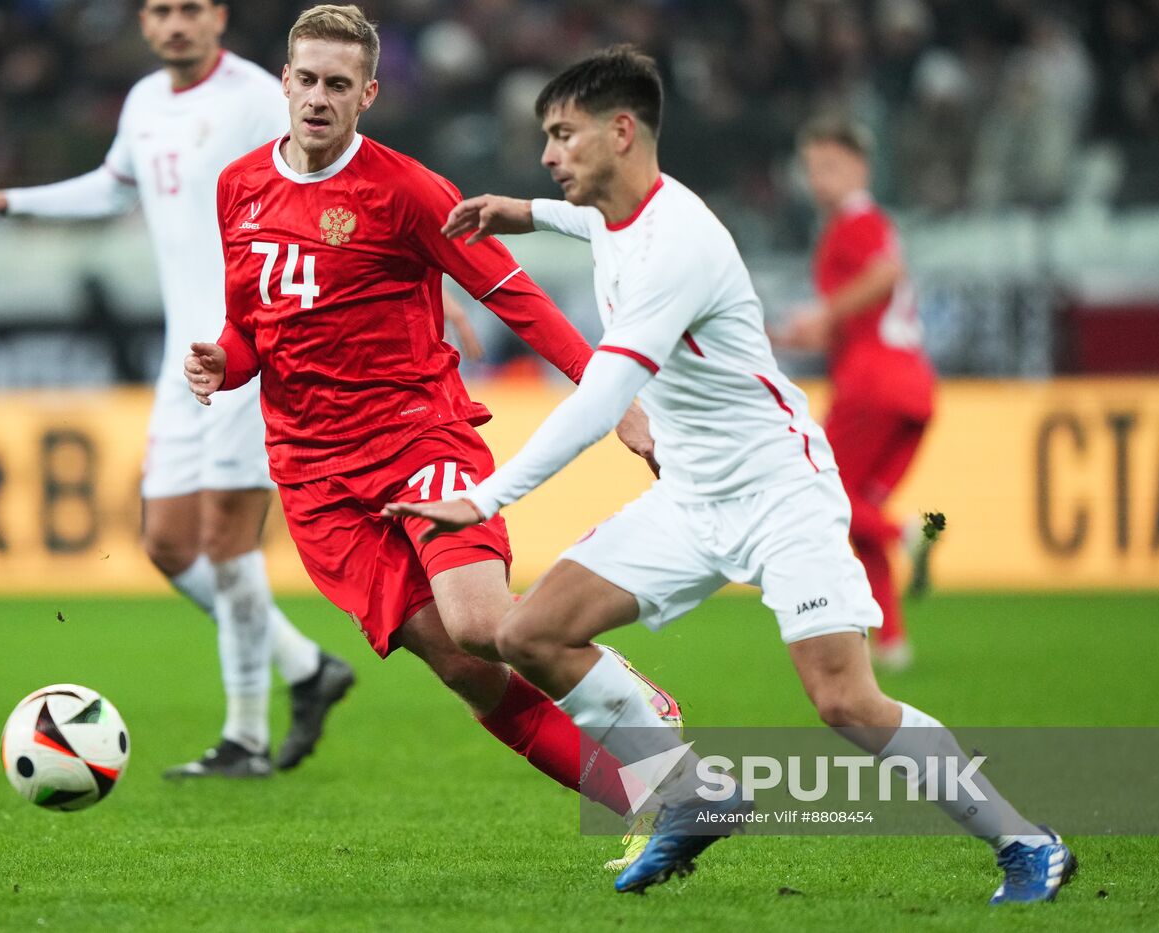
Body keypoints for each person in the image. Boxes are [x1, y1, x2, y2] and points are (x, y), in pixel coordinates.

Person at [390, 46, 1074, 903]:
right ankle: (691, 793)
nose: (548, 155)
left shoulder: (679, 245)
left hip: (778, 490)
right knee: (531, 635)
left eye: (563, 135)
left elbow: (603, 399)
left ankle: (1026, 840)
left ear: (622, 132)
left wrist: (486, 499)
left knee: (846, 703)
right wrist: (515, 212)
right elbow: (581, 223)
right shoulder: (613, 213)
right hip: (691, 497)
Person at [182, 4, 680, 869]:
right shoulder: (238, 189)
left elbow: (511, 293)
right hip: (317, 482)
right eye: (307, 79)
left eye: (340, 84)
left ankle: (647, 715)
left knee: (483, 621)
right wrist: (219, 364)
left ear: (368, 93)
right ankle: (652, 799)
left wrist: (614, 392)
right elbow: (250, 331)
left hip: (419, 439)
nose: (319, 98)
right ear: (286, 79)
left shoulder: (406, 189)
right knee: (465, 670)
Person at [0, 0, 353, 778]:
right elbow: (113, 188)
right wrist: (5, 201)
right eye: (160, 10)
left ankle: (246, 738)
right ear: (145, 23)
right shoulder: (145, 102)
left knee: (225, 542)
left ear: (217, 16)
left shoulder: (258, 95)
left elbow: (334, 180)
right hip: (179, 353)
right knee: (167, 543)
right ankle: (308, 666)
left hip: (251, 345)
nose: (175, 23)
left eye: (190, 8)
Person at [773, 116, 938, 672]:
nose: (818, 178)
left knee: (821, 495)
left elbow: (887, 274)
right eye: (812, 167)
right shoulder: (869, 223)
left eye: (830, 166)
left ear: (861, 168)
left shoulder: (855, 220)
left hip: (871, 383)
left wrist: (823, 311)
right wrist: (799, 330)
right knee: (856, 504)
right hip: (913, 386)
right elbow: (848, 311)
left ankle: (909, 534)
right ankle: (892, 642)